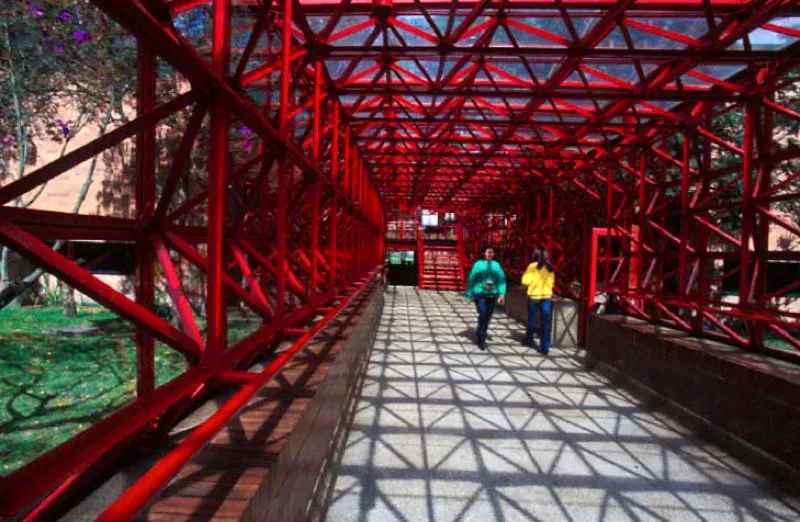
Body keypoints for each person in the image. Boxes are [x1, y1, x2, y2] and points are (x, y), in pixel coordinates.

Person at [465, 246, 506, 350]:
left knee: (488, 315)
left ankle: (481, 330)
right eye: (488, 252)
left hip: (491, 293)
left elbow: (501, 280)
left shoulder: (496, 265)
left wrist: (502, 294)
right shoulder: (478, 264)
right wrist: (469, 292)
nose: (490, 254)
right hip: (480, 292)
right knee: (483, 313)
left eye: (492, 252)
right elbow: (472, 278)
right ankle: (481, 338)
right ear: (484, 253)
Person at [521, 248, 555, 355]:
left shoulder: (532, 266)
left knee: (532, 319)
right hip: (546, 297)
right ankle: (545, 347)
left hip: (534, 297)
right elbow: (552, 282)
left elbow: (525, 281)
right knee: (545, 322)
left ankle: (529, 339)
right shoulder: (550, 267)